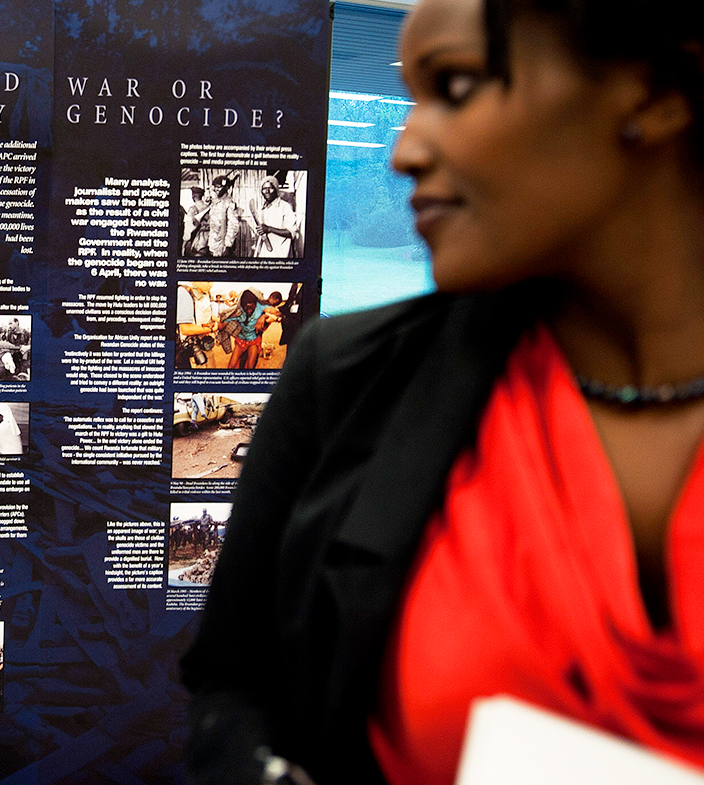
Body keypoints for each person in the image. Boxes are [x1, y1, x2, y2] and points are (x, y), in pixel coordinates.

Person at [182, 0, 704, 782]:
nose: (404, 149)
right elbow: (232, 684)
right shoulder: (352, 381)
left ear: (654, 92)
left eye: (455, 86)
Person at [248, 176, 299, 258]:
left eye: (270, 188)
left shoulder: (284, 207)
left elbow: (292, 233)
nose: (267, 191)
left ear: (276, 189)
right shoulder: (263, 208)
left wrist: (269, 229)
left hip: (281, 256)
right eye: (264, 188)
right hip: (265, 254)